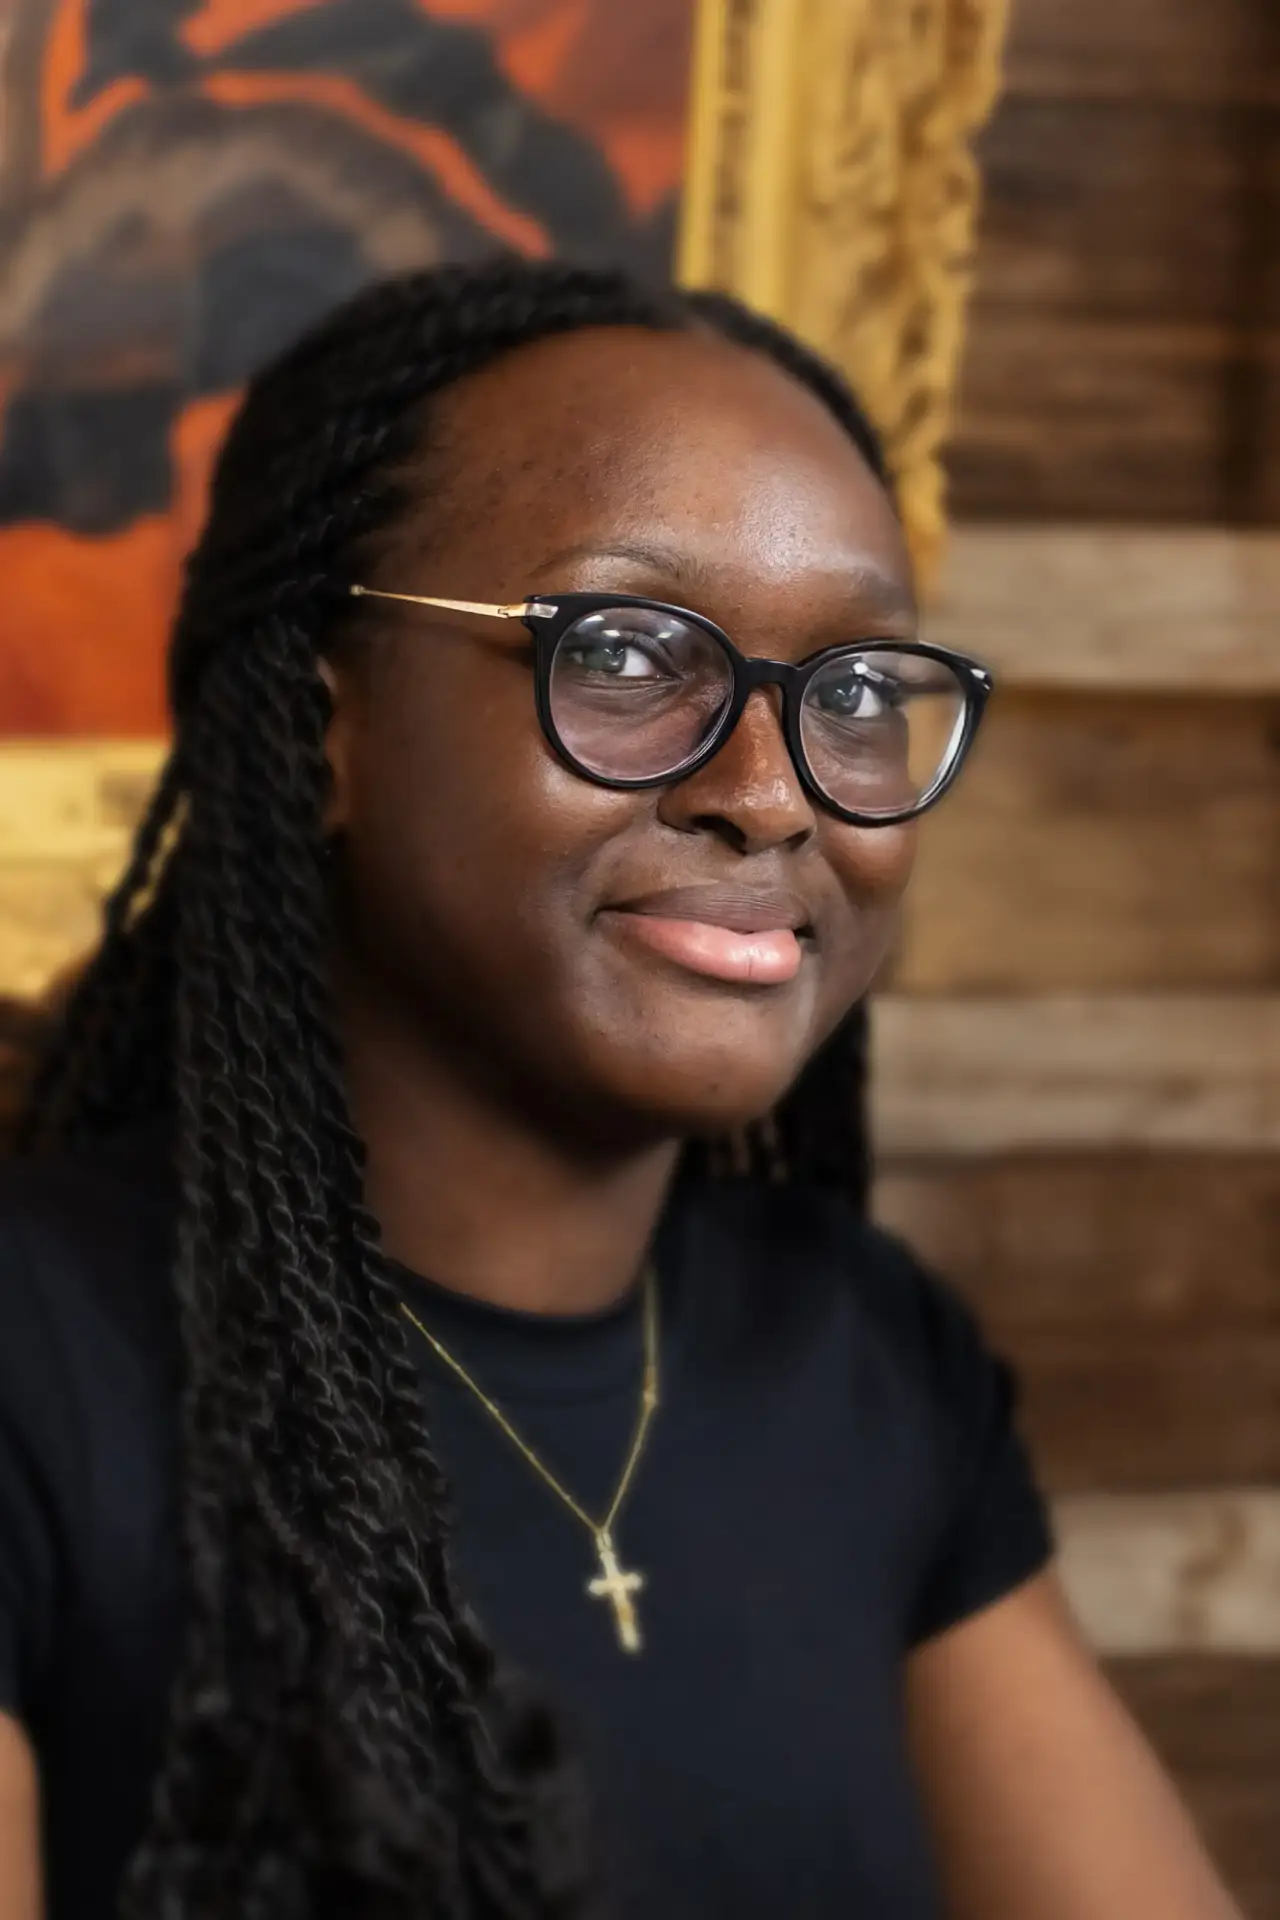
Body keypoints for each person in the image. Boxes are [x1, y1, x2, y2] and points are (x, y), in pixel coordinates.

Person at [0, 258, 1240, 1920]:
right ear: (324, 732)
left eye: (859, 692)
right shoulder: (35, 1364)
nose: (772, 793)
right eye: (633, 654)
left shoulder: (865, 1354)